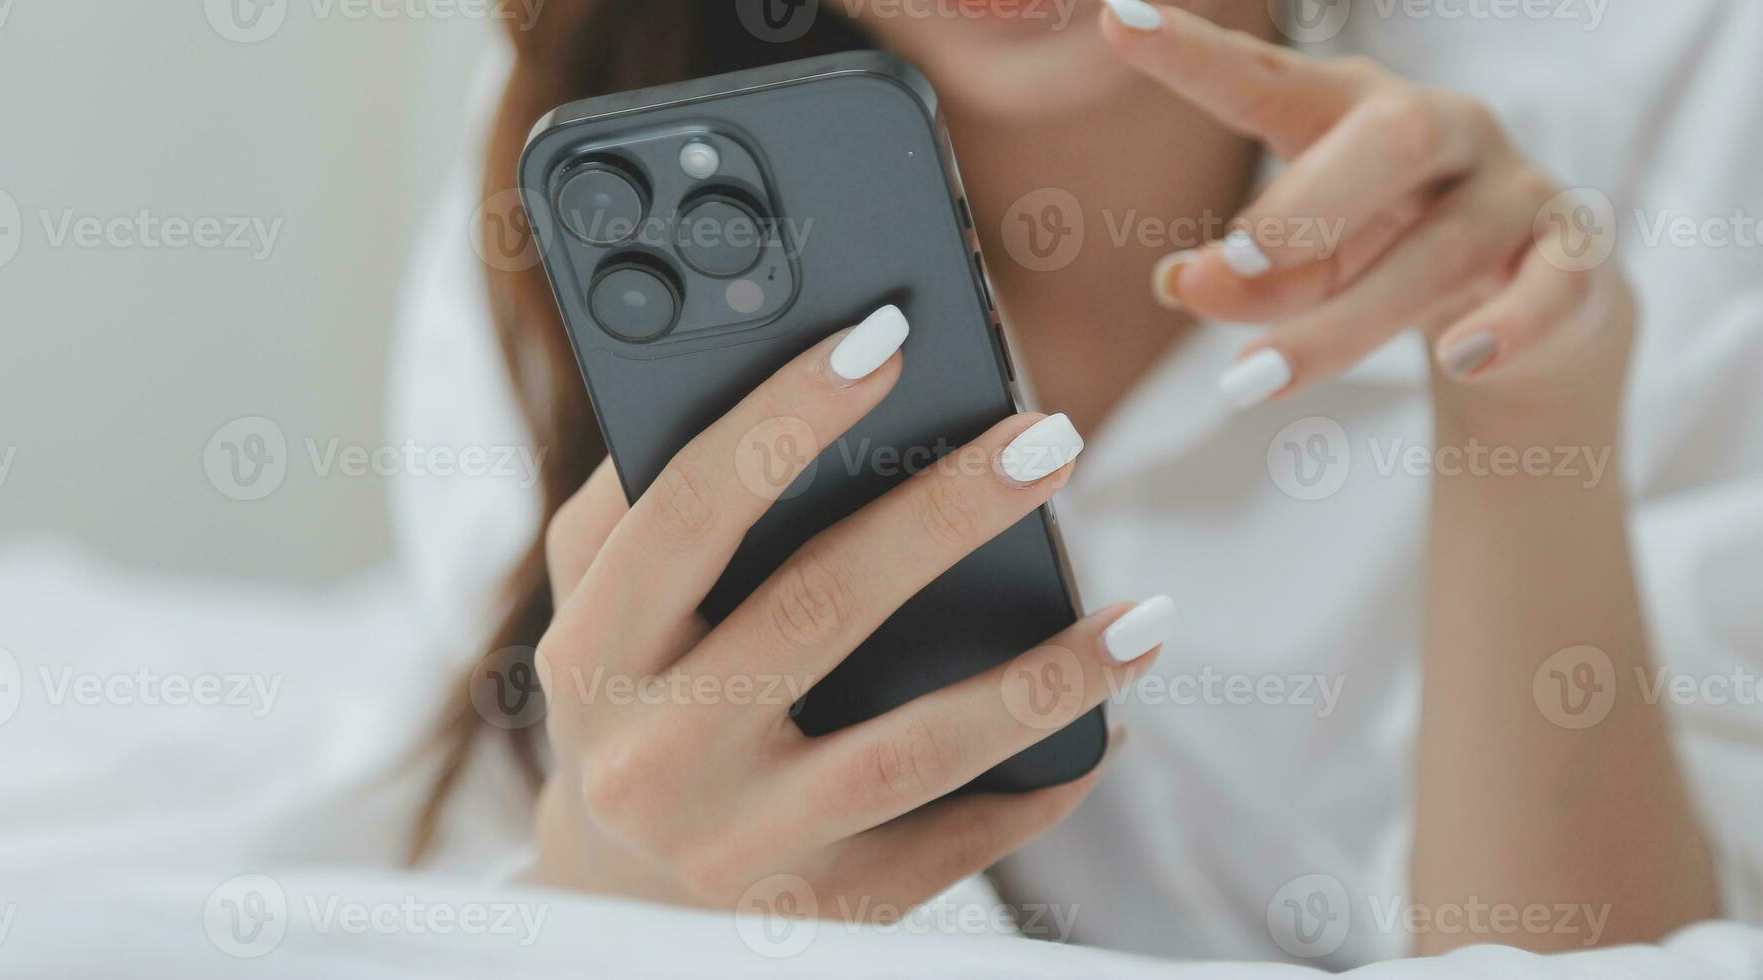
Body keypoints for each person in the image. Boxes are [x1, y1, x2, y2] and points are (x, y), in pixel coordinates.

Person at [391, 0, 1763, 967]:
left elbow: (1591, 956)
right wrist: (629, 878)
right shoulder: (592, 171)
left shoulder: (1680, 96)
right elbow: (564, 845)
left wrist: (1529, 405)